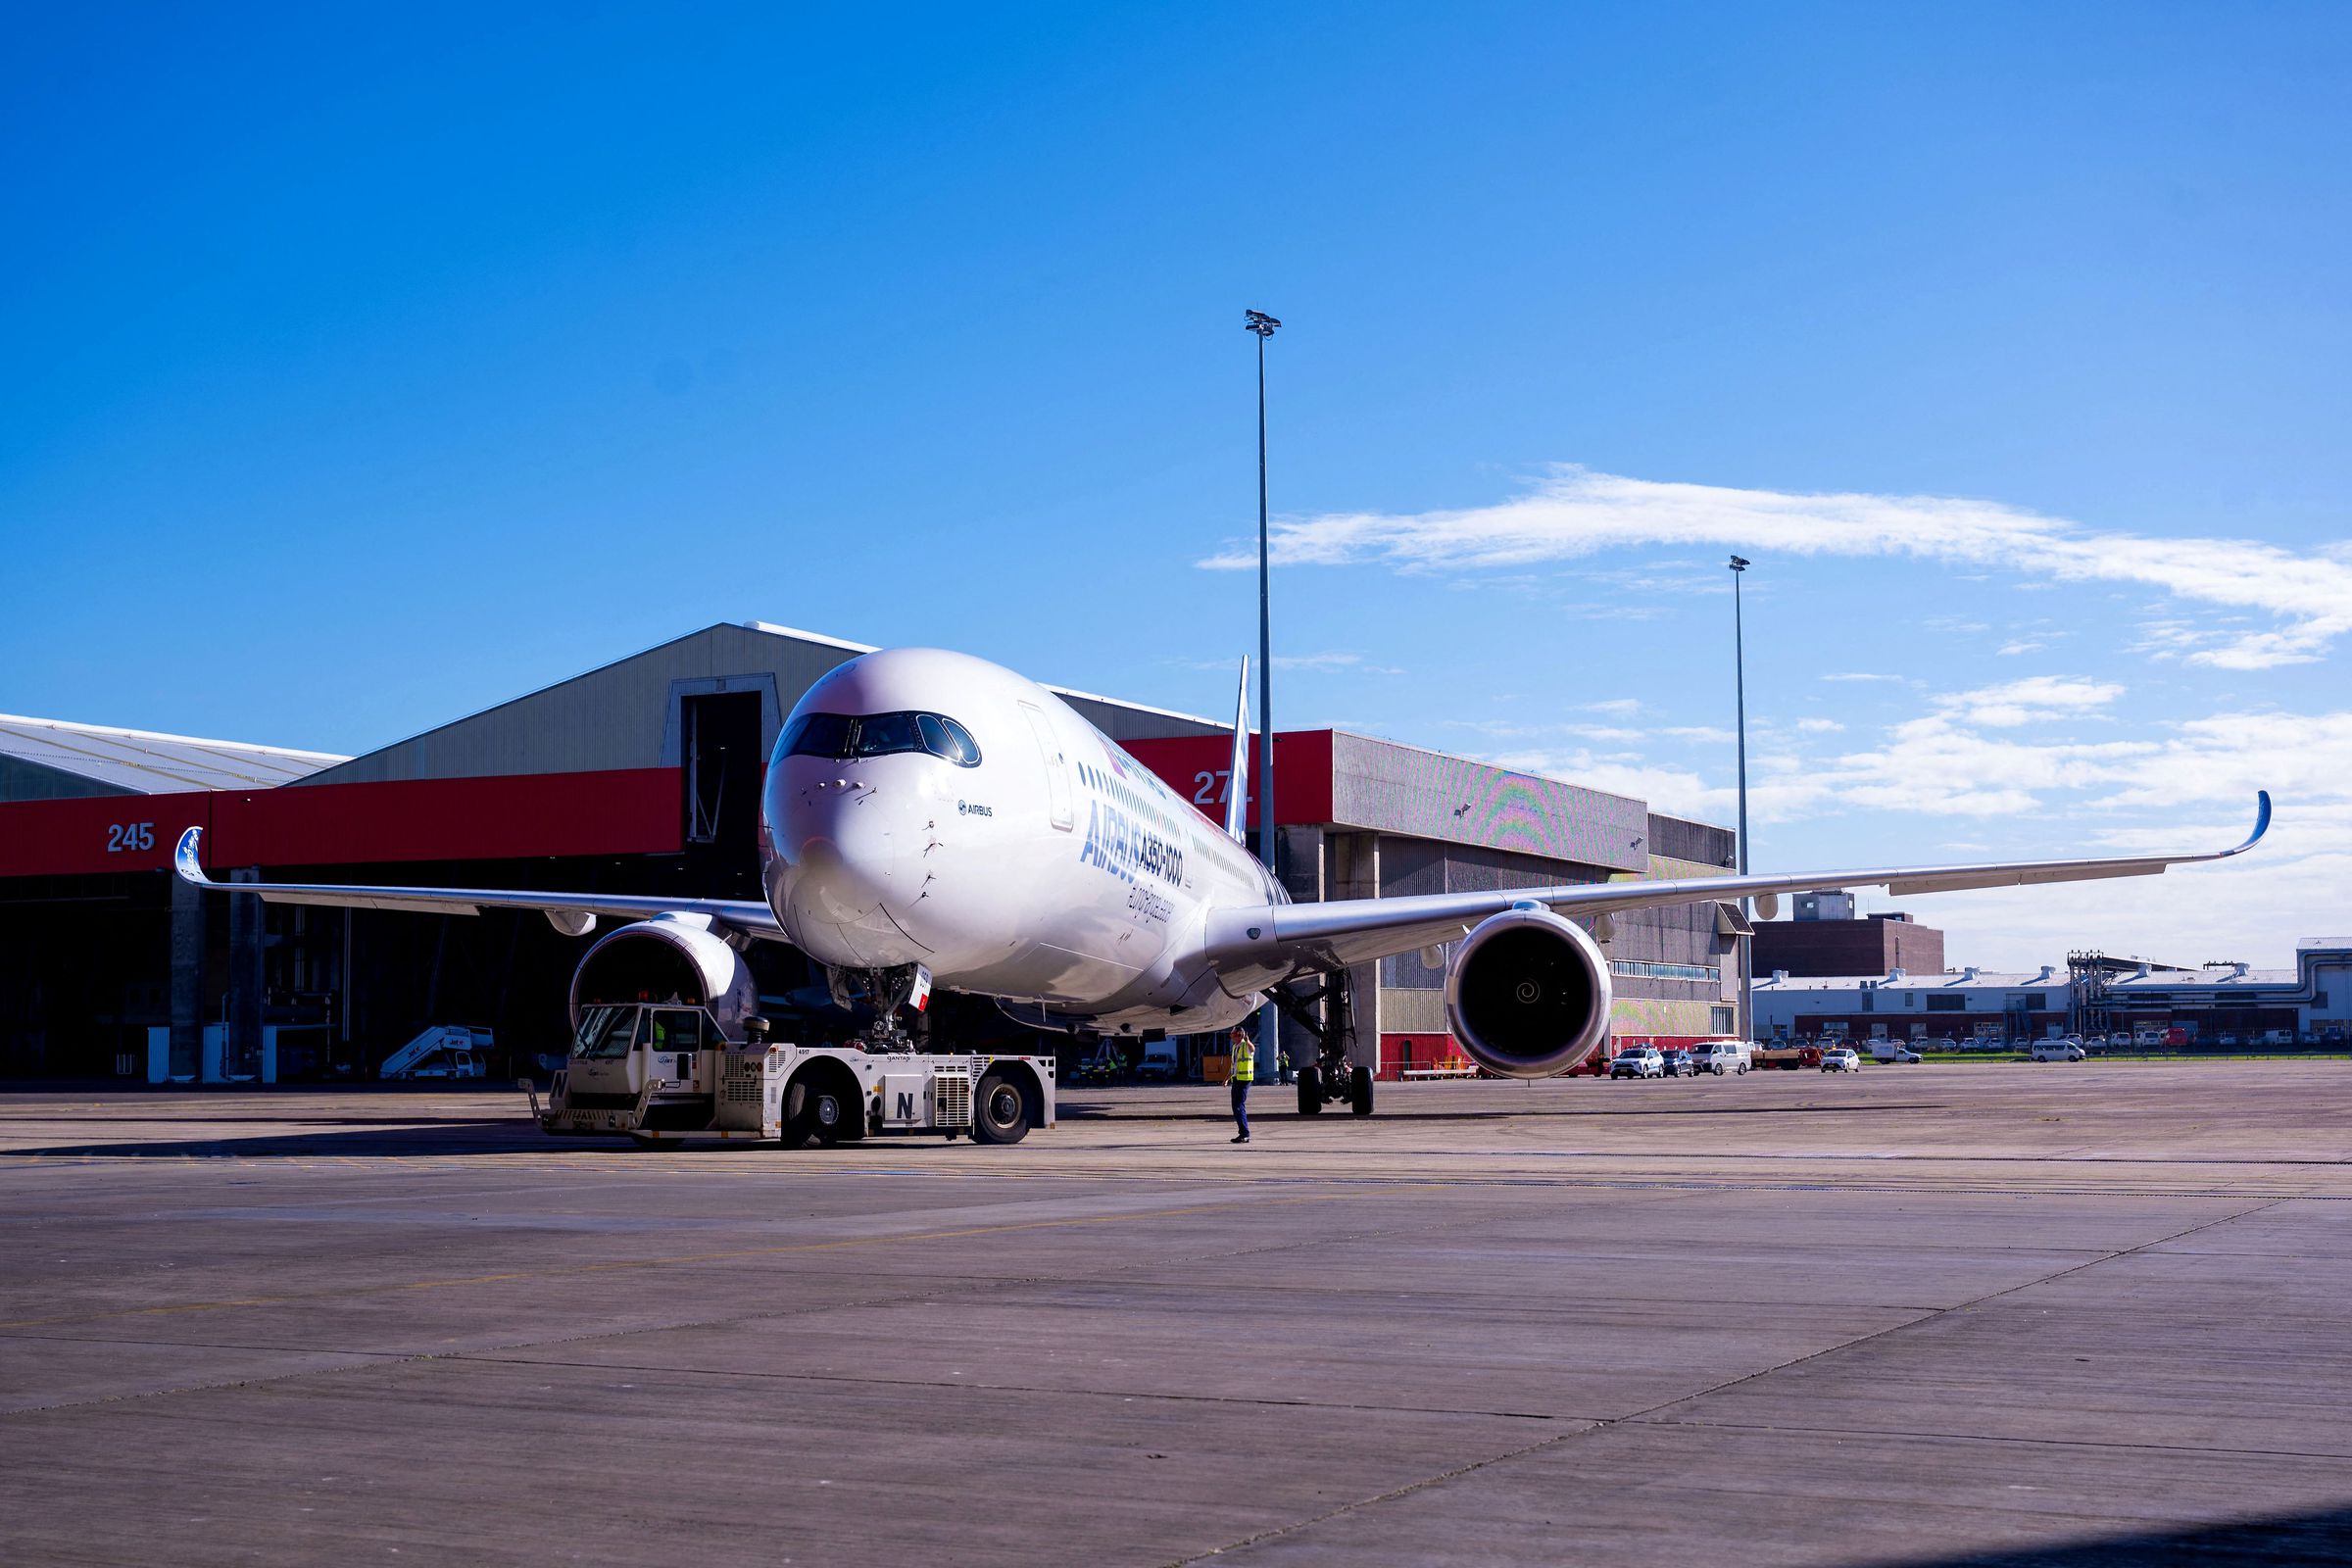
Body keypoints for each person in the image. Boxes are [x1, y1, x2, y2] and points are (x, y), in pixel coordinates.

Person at [1228, 1023, 1255, 1143]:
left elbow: (1252, 1049)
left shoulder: (1245, 1046)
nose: (1232, 1037)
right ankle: (1243, 1133)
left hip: (1244, 1080)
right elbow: (1234, 1065)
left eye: (1234, 1035)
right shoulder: (1235, 1047)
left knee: (1239, 1106)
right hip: (1236, 1079)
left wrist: (1248, 1040)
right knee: (1235, 1106)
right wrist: (1226, 1079)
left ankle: (1245, 1134)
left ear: (1239, 1035)